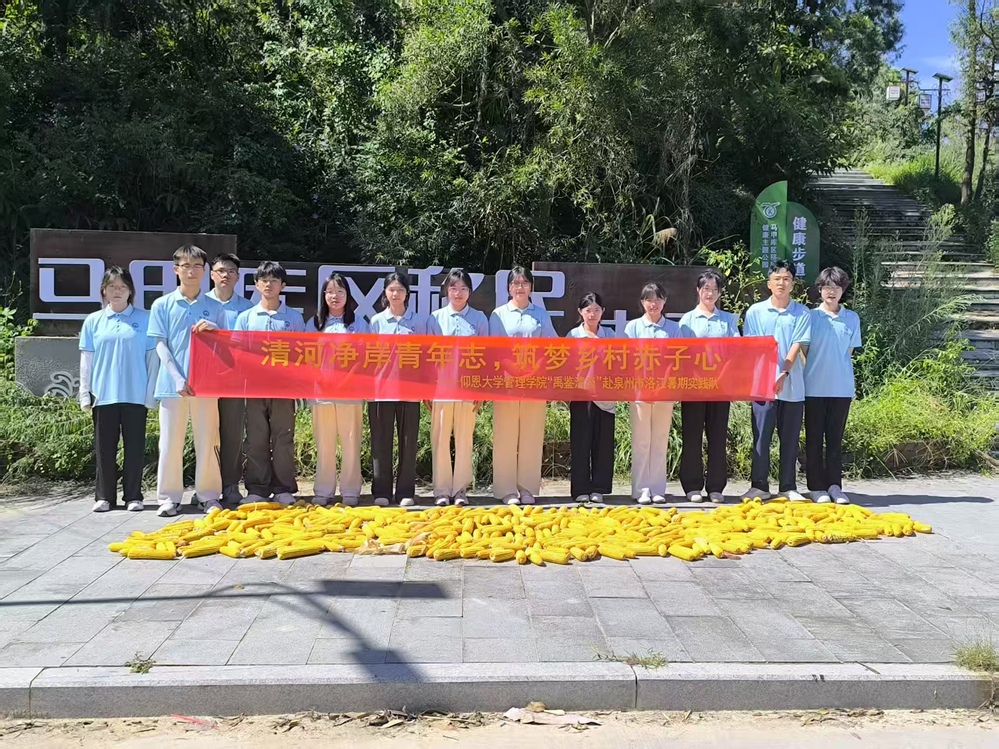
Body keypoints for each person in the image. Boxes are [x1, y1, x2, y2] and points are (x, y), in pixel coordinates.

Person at [149, 245, 227, 516]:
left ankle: (208, 495)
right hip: (172, 386)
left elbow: (226, 346)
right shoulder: (162, 304)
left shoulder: (215, 307)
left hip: (207, 385)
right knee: (170, 442)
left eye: (197, 266)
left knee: (208, 440)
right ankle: (169, 498)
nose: (191, 271)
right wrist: (177, 377)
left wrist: (216, 330)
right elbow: (160, 344)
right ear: (176, 270)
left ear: (205, 271)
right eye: (186, 266)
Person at [78, 267, 158, 513]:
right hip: (103, 395)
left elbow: (152, 360)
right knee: (104, 449)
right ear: (104, 290)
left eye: (122, 287)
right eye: (112, 286)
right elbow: (86, 361)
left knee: (134, 448)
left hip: (135, 394)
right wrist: (84, 393)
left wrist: (150, 395)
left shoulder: (145, 319)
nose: (117, 291)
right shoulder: (94, 321)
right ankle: (104, 496)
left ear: (130, 291)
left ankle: (133, 496)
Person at [233, 261, 306, 505]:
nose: (268, 285)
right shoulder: (246, 317)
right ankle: (257, 489)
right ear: (256, 285)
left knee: (283, 438)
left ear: (282, 285)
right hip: (254, 388)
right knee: (256, 439)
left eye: (274, 281)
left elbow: (301, 354)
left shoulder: (294, 318)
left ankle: (284, 488)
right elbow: (237, 352)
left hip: (284, 389)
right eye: (264, 280)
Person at [742, 260, 811, 502]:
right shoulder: (755, 312)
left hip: (792, 386)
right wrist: (770, 374)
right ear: (769, 283)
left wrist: (784, 372)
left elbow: (797, 344)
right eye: (777, 279)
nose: (782, 283)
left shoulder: (802, 312)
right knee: (761, 437)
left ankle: (788, 486)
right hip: (762, 385)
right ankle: (759, 486)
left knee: (789, 438)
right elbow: (752, 346)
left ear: (793, 283)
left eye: (786, 278)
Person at [489, 266, 557, 505]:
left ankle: (527, 488)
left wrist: (535, 369)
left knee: (531, 434)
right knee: (505, 435)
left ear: (531, 287)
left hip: (534, 382)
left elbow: (551, 344)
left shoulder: (541, 314)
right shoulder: (498, 314)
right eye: (515, 283)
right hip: (507, 382)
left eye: (524, 283)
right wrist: (513, 369)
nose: (520, 287)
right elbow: (494, 348)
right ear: (509, 288)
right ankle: (506, 489)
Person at [369, 272, 432, 507]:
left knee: (408, 442)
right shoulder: (376, 322)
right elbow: (368, 359)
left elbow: (427, 356)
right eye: (391, 289)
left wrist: (426, 387)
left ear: (407, 293)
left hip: (411, 390)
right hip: (381, 390)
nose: (395, 294)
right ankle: (381, 491)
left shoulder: (419, 322)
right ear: (385, 293)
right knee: (381, 442)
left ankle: (406, 491)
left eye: (400, 290)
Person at [678, 270, 740, 504]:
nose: (710, 294)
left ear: (720, 293)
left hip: (720, 387)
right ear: (698, 291)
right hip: (693, 387)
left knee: (717, 437)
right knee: (692, 436)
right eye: (706, 289)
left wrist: (723, 374)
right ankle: (692, 485)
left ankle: (715, 486)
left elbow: (736, 351)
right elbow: (680, 355)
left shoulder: (728, 320)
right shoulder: (687, 320)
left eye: (714, 290)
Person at [428, 268, 489, 507]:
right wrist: (427, 389)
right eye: (453, 288)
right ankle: (441, 490)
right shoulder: (435, 318)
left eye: (463, 288)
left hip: (468, 390)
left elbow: (486, 356)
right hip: (441, 390)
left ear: (470, 292)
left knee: (464, 440)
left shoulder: (479, 319)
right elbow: (427, 358)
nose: (458, 293)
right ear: (446, 291)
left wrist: (481, 389)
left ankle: (461, 489)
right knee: (440, 440)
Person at [804, 267, 861, 505]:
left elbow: (849, 351)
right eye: (827, 287)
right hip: (813, 387)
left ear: (843, 290)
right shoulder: (810, 317)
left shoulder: (852, 318)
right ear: (820, 289)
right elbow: (804, 351)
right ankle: (816, 487)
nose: (831, 292)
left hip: (841, 388)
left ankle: (835, 486)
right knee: (814, 439)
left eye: (836, 287)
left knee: (835, 440)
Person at [311, 273, 368, 507]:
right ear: (324, 295)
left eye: (340, 292)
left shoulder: (359, 323)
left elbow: (365, 357)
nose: (335, 296)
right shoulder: (314, 324)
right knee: (324, 442)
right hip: (321, 392)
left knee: (350, 441)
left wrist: (348, 379)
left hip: (350, 392)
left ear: (348, 295)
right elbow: (305, 356)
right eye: (330, 292)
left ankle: (350, 490)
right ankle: (323, 490)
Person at [624, 282, 681, 504]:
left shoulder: (673, 329)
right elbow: (625, 359)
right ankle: (640, 489)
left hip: (665, 391)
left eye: (657, 299)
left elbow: (678, 360)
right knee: (641, 441)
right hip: (639, 391)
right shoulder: (632, 327)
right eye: (649, 300)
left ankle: (657, 489)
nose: (653, 304)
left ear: (664, 302)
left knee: (659, 439)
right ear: (642, 302)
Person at [207, 253, 253, 505]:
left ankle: (231, 484)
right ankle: (207, 486)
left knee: (233, 433)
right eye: (221, 270)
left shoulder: (247, 308)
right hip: (205, 380)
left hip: (235, 380)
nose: (225, 275)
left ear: (238, 277)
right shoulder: (200, 304)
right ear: (212, 274)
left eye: (231, 271)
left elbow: (250, 345)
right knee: (206, 434)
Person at [565, 292, 616, 503]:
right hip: (581, 396)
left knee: (602, 443)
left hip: (605, 396)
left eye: (596, 310)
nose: (592, 314)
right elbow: (565, 365)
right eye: (588, 310)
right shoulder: (573, 336)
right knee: (581, 443)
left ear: (603, 312)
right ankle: (580, 489)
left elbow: (619, 365)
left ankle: (599, 488)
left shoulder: (610, 335)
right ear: (580, 312)